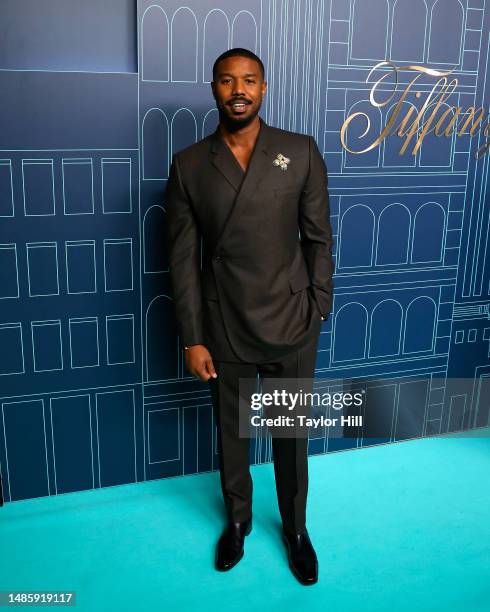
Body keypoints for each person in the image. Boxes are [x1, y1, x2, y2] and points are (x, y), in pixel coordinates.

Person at [165, 47, 334, 585]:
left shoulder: (299, 151)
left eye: (250, 80)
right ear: (213, 88)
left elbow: (319, 240)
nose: (239, 89)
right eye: (227, 80)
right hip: (224, 323)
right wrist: (193, 336)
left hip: (290, 320)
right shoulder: (190, 164)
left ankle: (296, 529)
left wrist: (318, 306)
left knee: (290, 434)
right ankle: (237, 522)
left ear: (264, 88)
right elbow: (182, 260)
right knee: (232, 433)